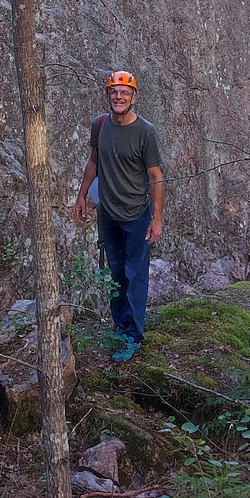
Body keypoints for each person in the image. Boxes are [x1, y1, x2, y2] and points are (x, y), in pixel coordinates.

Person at [74, 70, 163, 361]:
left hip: (137, 215)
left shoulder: (145, 132)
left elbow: (156, 176)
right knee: (116, 273)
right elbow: (93, 162)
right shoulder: (100, 125)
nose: (118, 96)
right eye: (114, 91)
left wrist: (157, 218)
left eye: (124, 92)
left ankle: (133, 335)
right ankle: (120, 326)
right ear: (107, 94)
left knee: (134, 275)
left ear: (134, 97)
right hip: (108, 214)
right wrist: (81, 196)